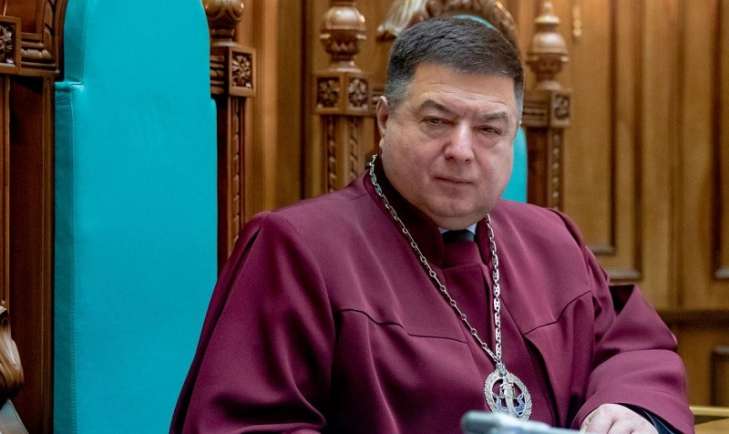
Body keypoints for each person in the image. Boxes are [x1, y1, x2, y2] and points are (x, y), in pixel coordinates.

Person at [171, 17, 693, 434]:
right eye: (437, 121)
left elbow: (632, 347)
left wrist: (628, 407)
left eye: (489, 129)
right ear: (384, 120)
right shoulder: (295, 248)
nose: (461, 150)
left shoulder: (553, 239)